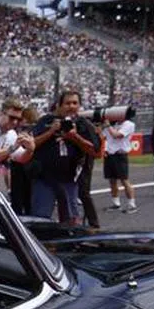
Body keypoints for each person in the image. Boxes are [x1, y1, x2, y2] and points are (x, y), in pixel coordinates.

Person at [30, 91, 97, 225]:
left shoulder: (83, 123)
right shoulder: (46, 121)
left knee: (71, 220)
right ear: (59, 105)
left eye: (75, 103)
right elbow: (31, 144)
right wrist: (50, 131)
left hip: (69, 179)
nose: (71, 106)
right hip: (45, 179)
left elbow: (93, 150)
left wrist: (74, 137)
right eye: (67, 103)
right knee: (41, 219)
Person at [101, 114, 137, 213]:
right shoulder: (114, 124)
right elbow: (101, 135)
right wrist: (100, 126)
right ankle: (116, 204)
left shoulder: (129, 124)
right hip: (109, 154)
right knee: (112, 180)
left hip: (120, 155)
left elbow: (117, 136)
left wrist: (108, 126)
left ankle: (132, 205)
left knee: (124, 180)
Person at [9, 105, 41, 216]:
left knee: (18, 197)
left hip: (21, 164)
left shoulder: (20, 130)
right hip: (30, 164)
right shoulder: (38, 128)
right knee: (29, 198)